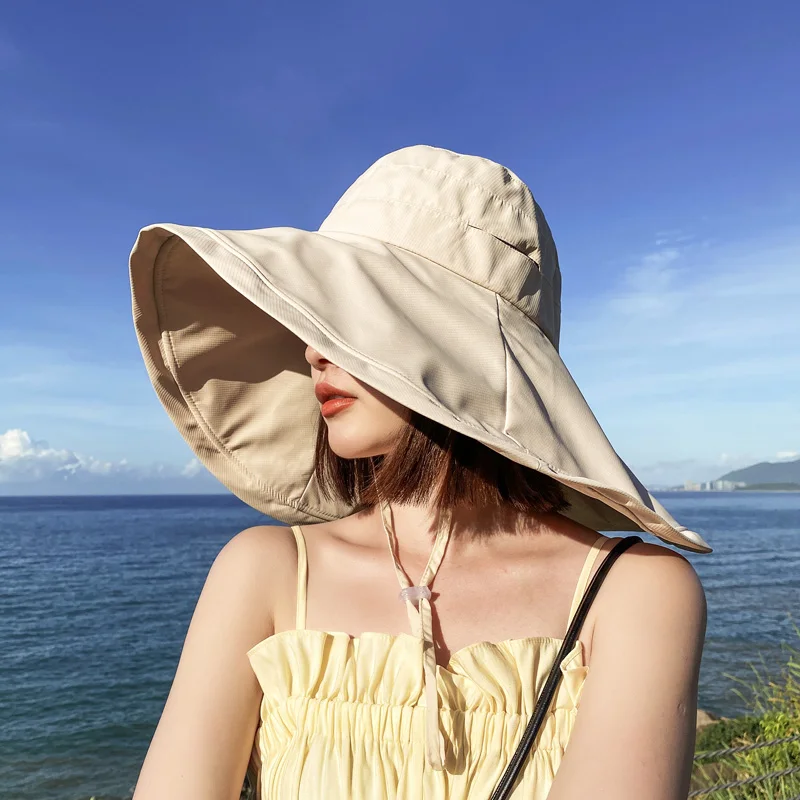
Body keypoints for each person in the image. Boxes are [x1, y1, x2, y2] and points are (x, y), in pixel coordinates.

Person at [127, 145, 711, 799]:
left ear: (455, 348)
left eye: (347, 317)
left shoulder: (633, 592)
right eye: (312, 317)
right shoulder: (265, 571)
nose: (312, 350)